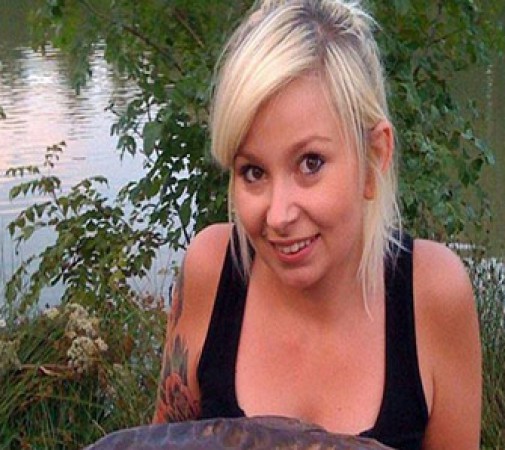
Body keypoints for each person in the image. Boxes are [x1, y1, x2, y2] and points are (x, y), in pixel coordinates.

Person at [153, 1, 482, 449]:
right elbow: (158, 440)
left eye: (310, 163)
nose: (279, 215)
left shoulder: (433, 295)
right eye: (253, 171)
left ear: (374, 157)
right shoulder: (211, 270)